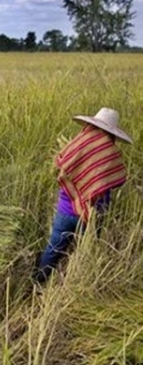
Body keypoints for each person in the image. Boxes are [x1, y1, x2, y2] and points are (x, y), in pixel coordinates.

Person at [34, 107, 132, 285]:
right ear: (112, 132)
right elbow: (118, 180)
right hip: (93, 213)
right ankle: (77, 282)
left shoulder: (77, 144)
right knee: (86, 249)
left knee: (54, 248)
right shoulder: (110, 152)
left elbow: (60, 165)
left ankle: (39, 281)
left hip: (66, 210)